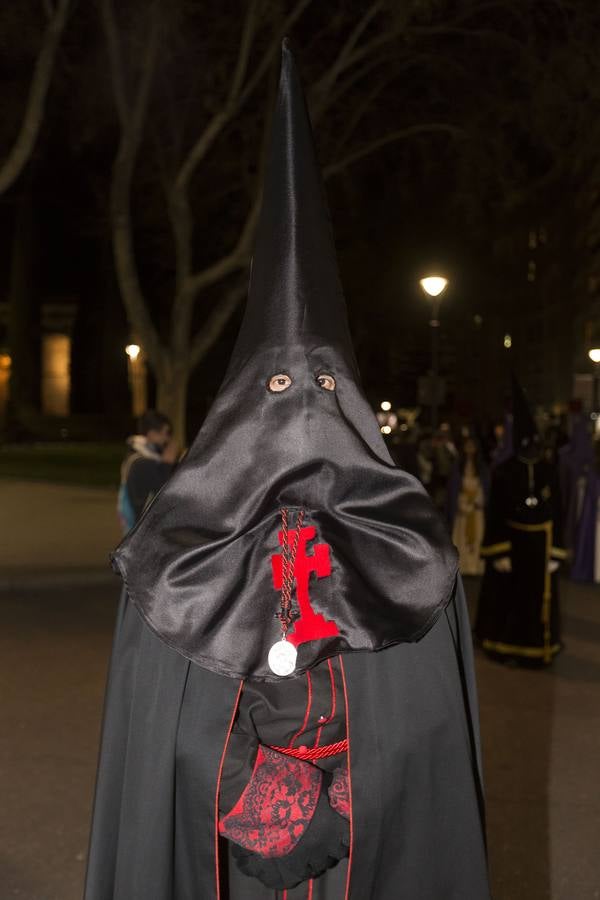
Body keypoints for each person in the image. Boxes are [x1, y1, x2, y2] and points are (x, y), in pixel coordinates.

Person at [85, 43, 490, 899]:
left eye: (322, 385)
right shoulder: (177, 548)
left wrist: (356, 798)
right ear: (238, 401)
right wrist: (273, 809)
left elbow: (428, 722)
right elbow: (168, 727)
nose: (301, 409)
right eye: (276, 385)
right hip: (225, 854)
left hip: (371, 840)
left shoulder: (403, 539)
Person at [475, 376, 566, 665]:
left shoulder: (550, 471)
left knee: (537, 602)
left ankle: (538, 652)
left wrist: (556, 553)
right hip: (513, 546)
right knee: (509, 601)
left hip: (541, 547)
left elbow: (558, 511)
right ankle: (505, 648)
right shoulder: (504, 472)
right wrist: (498, 551)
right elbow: (497, 513)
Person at [117, 409, 178, 531]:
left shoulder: (137, 454)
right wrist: (167, 463)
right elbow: (165, 492)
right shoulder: (143, 463)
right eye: (165, 433)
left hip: (137, 527)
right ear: (152, 434)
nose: (167, 439)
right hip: (142, 530)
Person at [448, 435, 489, 576]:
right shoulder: (458, 466)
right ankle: (463, 566)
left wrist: (477, 500)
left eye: (473, 445)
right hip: (462, 510)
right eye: (467, 445)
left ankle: (475, 566)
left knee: (478, 537)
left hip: (477, 510)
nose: (470, 448)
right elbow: (453, 489)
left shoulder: (482, 467)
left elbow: (485, 487)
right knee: (461, 539)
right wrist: (462, 503)